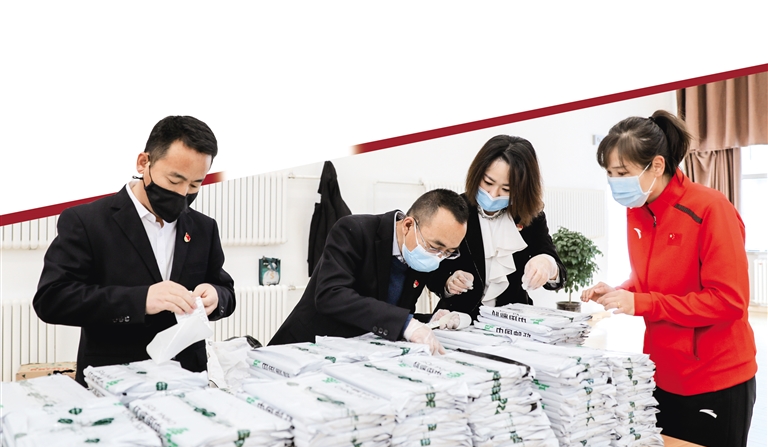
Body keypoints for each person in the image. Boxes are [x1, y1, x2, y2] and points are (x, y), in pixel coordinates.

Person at [581, 110, 757, 447]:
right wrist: (621, 291)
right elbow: (653, 279)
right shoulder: (638, 210)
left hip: (716, 379)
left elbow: (728, 301)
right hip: (662, 374)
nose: (615, 182)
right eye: (609, 173)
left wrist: (642, 303)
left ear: (656, 165)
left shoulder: (710, 208)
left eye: (622, 172)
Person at [34, 115, 236, 385]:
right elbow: (52, 299)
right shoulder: (86, 221)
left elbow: (226, 290)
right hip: (114, 381)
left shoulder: (203, 228)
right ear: (143, 163)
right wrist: (142, 300)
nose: (183, 194)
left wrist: (216, 297)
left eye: (195, 184)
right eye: (174, 180)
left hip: (188, 379)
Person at [269, 189, 469, 354]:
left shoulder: (418, 255)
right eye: (435, 247)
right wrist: (406, 324)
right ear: (408, 225)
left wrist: (429, 321)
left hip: (356, 354)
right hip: (305, 348)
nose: (438, 257)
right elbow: (331, 295)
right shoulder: (354, 230)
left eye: (448, 252)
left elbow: (386, 311)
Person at [426, 135, 565, 320]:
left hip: (513, 322)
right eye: (488, 183)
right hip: (458, 319)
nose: (493, 194)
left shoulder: (531, 215)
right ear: (477, 174)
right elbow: (432, 271)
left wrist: (548, 265)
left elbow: (558, 277)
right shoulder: (455, 210)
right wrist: (448, 282)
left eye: (506, 189)